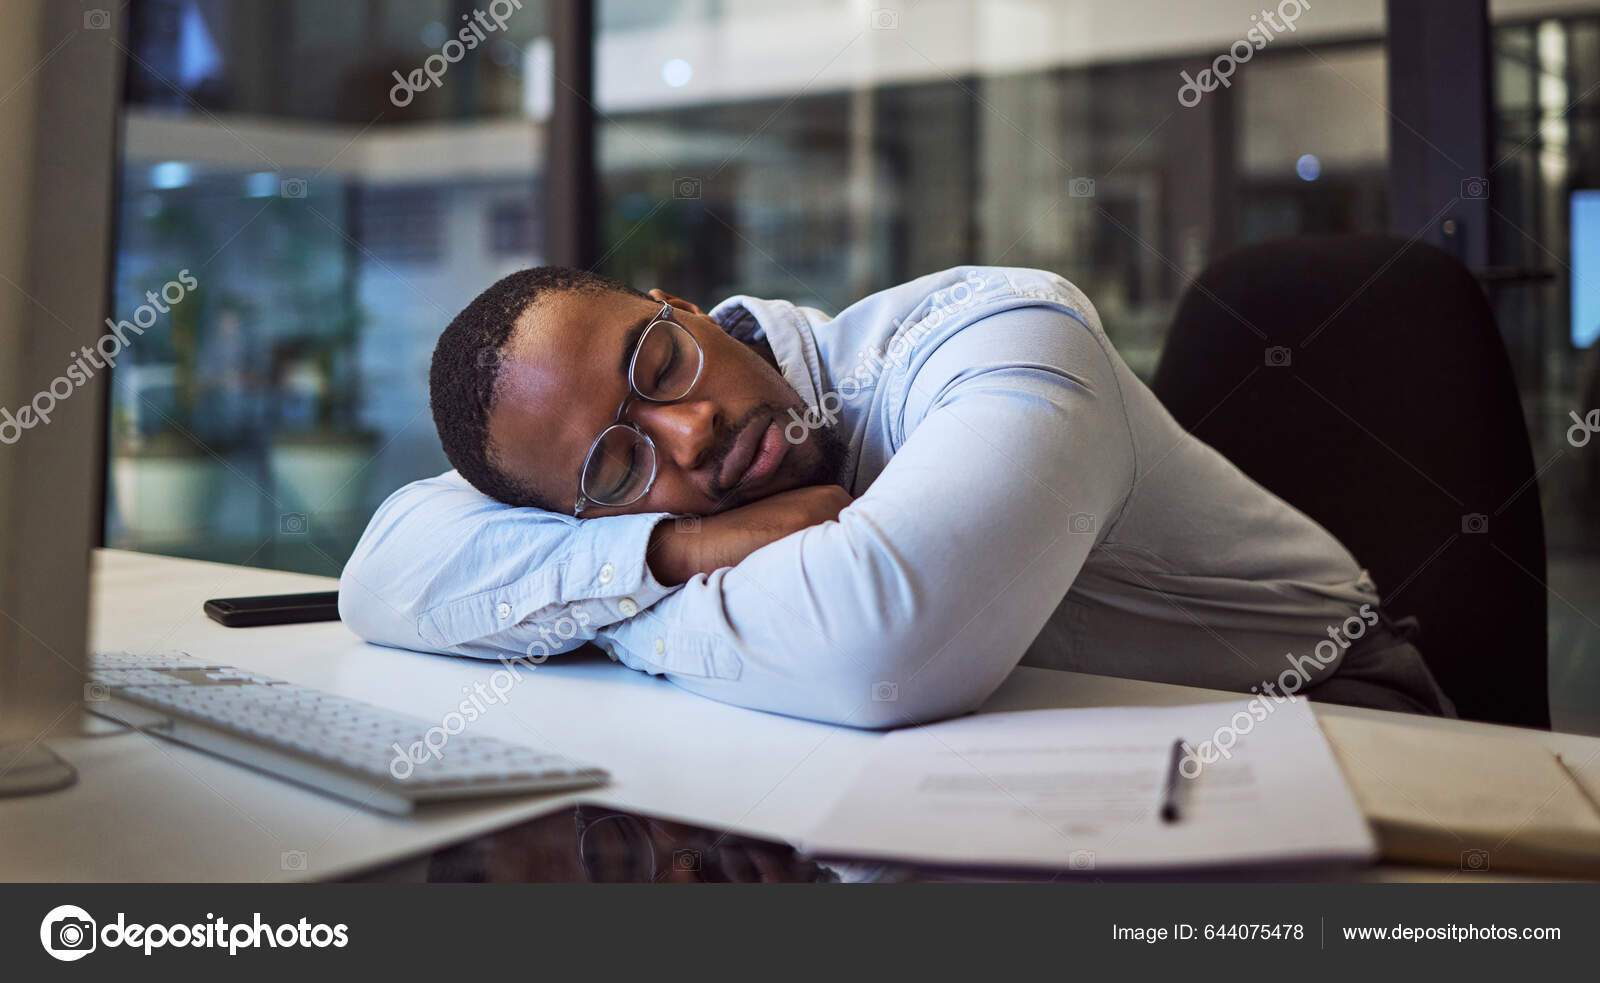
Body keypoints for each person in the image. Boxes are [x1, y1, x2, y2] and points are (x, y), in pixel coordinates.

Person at [340, 265, 1454, 728]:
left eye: (659, 364)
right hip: (1026, 746)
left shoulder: (1002, 332)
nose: (689, 430)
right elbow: (383, 570)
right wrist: (678, 553)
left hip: (1326, 719)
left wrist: (589, 607)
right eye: (620, 466)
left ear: (679, 306)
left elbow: (877, 648)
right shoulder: (640, 506)